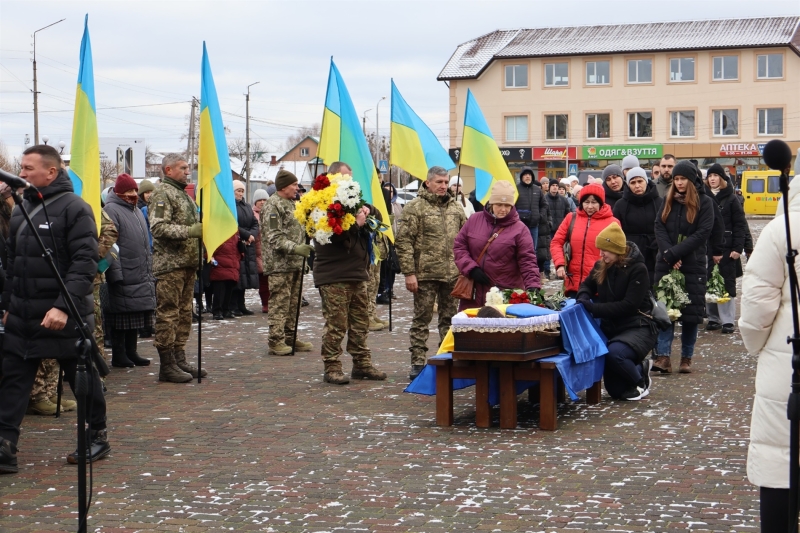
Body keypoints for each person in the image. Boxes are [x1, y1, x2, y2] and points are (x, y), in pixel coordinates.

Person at [0, 145, 110, 473]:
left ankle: (97, 434)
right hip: (22, 314)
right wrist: (8, 307)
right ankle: (5, 445)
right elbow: (14, 263)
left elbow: (83, 263)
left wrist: (63, 307)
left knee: (82, 377)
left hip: (64, 315)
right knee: (14, 379)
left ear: (51, 172)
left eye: (28, 168)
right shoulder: (20, 209)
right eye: (20, 167)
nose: (21, 173)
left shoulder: (75, 208)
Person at [739, 154, 800, 533]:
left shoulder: (783, 229)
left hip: (788, 362)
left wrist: (757, 345)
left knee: (781, 460)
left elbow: (757, 304)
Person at [312, 161, 386, 385]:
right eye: (345, 177)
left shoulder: (352, 200)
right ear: (333, 177)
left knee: (360, 323)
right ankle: (332, 366)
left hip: (357, 273)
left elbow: (378, 219)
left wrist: (368, 210)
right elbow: (332, 235)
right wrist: (355, 224)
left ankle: (361, 364)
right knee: (336, 324)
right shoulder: (319, 205)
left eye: (351, 177)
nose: (349, 181)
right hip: (334, 275)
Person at [396, 166, 466, 380]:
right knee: (421, 319)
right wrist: (409, 272)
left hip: (452, 275)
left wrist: (464, 269)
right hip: (425, 275)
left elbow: (465, 239)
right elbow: (403, 241)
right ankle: (418, 362)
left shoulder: (456, 207)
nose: (443, 186)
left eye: (446, 182)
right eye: (439, 182)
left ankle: (447, 358)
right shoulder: (415, 207)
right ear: (428, 183)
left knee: (450, 320)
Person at [576, 222, 657, 401]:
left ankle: (640, 381)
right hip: (613, 328)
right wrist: (583, 297)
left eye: (605, 250)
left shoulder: (638, 270)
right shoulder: (602, 265)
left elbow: (628, 305)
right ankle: (638, 368)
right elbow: (587, 285)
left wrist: (594, 309)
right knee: (616, 391)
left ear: (617, 250)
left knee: (614, 354)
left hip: (638, 326)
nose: (601, 253)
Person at [652, 161, 715, 374]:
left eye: (682, 179)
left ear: (691, 180)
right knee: (665, 312)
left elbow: (702, 233)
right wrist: (668, 253)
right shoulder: (667, 200)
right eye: (676, 179)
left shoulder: (704, 202)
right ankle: (663, 356)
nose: (678, 182)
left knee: (689, 315)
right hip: (666, 263)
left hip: (692, 265)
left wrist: (676, 253)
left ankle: (686, 358)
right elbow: (659, 225)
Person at [149, 153, 204, 382]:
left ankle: (179, 357)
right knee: (168, 314)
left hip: (187, 263)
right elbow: (158, 227)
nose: (187, 171)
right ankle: (166, 363)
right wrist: (189, 232)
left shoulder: (183, 194)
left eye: (188, 167)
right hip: (170, 265)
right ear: (168, 170)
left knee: (184, 314)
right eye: (182, 168)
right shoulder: (163, 193)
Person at [454, 180, 541, 310]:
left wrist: (533, 286)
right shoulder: (474, 220)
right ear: (491, 202)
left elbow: (527, 260)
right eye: (499, 204)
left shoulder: (520, 229)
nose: (503, 209)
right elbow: (459, 246)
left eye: (507, 205)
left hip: (504, 296)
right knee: (472, 329)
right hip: (473, 293)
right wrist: (471, 269)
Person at [102, 174, 156, 368]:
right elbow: (110, 243)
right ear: (119, 192)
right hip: (124, 272)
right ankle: (119, 354)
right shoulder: (111, 209)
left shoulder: (136, 210)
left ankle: (131, 351)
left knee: (135, 314)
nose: (133, 194)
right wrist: (115, 273)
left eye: (135, 190)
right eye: (129, 191)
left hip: (139, 272)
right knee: (121, 317)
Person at [260, 169, 313, 356]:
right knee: (280, 303)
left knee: (294, 304)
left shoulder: (292, 204)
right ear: (283, 186)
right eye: (294, 184)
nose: (297, 188)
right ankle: (276, 340)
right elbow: (274, 237)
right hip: (279, 264)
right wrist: (295, 248)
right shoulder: (273, 205)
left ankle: (290, 336)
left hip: (295, 263)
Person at [550, 184, 619, 296]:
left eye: (594, 202)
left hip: (598, 286)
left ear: (601, 203)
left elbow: (617, 253)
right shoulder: (571, 218)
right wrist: (560, 264)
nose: (590, 206)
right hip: (573, 285)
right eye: (586, 202)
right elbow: (556, 242)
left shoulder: (612, 223)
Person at [704, 164, 747, 334]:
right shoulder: (704, 197)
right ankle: (713, 318)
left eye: (716, 175)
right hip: (708, 247)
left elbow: (740, 224)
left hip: (727, 247)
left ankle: (727, 320)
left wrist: (738, 247)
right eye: (710, 176)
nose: (712, 179)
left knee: (726, 282)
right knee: (709, 281)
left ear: (722, 178)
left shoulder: (731, 198)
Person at [613, 167, 660, 285]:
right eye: (633, 182)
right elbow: (616, 231)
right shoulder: (621, 204)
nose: (637, 185)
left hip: (655, 253)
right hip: (631, 253)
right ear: (628, 185)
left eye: (640, 181)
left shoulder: (660, 202)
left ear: (646, 181)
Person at [231, 180, 259, 316]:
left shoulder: (247, 206)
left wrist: (252, 236)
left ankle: (241, 304)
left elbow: (255, 223)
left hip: (248, 244)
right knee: (237, 276)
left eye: (242, 190)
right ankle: (233, 305)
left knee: (245, 275)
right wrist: (246, 234)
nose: (240, 193)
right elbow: (232, 223)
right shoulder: (230, 206)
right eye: (238, 190)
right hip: (237, 243)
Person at [208, 232, 240, 320]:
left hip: (232, 263)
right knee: (220, 288)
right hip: (220, 263)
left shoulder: (234, 231)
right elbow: (209, 246)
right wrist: (210, 257)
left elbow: (236, 247)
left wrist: (240, 253)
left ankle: (225, 309)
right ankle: (217, 310)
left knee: (229, 288)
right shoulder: (217, 230)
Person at [514, 166, 547, 248]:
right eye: (525, 175)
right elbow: (511, 206)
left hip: (534, 226)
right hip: (519, 226)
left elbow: (544, 205)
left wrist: (539, 216)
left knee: (533, 249)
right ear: (521, 177)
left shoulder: (537, 190)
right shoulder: (515, 189)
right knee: (519, 248)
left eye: (529, 174)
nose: (527, 176)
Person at [251, 188, 270, 313]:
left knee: (272, 280)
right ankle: (265, 303)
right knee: (263, 280)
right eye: (260, 200)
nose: (262, 202)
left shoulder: (271, 213)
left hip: (270, 251)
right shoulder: (253, 215)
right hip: (258, 251)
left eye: (264, 200)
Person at [137, 179, 156, 251]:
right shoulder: (140, 208)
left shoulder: (156, 205)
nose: (150, 195)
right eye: (147, 192)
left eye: (151, 192)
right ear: (142, 194)